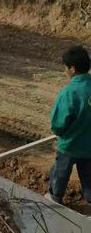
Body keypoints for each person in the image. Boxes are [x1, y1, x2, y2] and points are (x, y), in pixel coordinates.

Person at [46, 45, 91, 205]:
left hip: (70, 144)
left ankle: (54, 198)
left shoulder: (70, 91)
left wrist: (60, 131)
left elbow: (58, 123)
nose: (65, 70)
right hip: (89, 145)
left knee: (60, 173)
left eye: (65, 67)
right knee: (88, 175)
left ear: (72, 69)